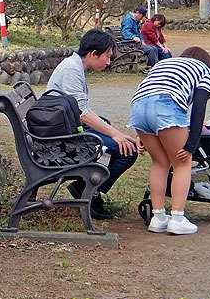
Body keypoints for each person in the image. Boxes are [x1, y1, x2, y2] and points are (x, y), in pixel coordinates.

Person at [47, 28, 141, 220]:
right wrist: (115, 134)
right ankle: (88, 190)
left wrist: (115, 132)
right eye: (107, 56)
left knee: (125, 145)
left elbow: (82, 110)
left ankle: (87, 189)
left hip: (66, 130)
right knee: (127, 151)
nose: (109, 62)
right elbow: (83, 114)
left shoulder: (75, 66)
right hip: (62, 139)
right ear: (93, 54)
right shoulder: (72, 70)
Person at [128, 46, 210, 235]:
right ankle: (177, 218)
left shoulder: (165, 63)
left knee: (160, 163)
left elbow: (147, 92)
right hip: (166, 105)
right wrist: (192, 144)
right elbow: (199, 108)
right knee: (182, 163)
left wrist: (140, 134)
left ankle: (158, 218)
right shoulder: (204, 70)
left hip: (138, 106)